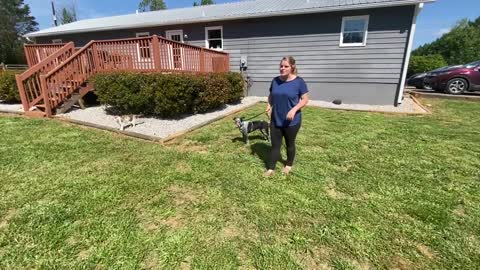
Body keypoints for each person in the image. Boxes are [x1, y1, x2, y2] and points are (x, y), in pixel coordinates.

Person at [264, 56, 309, 176]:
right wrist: (269, 105)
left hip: (292, 121)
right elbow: (271, 95)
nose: (282, 68)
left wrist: (294, 109)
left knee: (290, 144)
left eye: (286, 66)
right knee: (275, 145)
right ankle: (271, 168)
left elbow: (305, 99)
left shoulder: (299, 82)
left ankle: (288, 165)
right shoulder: (275, 81)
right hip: (276, 119)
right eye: (281, 66)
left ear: (292, 67)